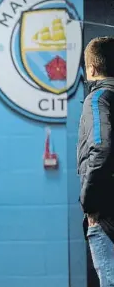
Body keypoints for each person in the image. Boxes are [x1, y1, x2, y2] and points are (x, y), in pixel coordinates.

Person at [77, 36, 114, 287]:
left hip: (106, 215)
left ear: (91, 68)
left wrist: (89, 202)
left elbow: (101, 148)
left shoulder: (99, 97)